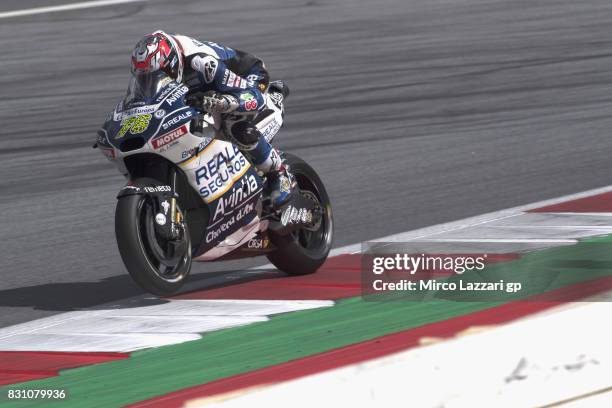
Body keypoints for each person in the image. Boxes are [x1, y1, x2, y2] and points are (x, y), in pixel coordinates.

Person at [130, 30, 293, 208]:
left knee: (234, 124)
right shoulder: (151, 70)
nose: (152, 81)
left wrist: (222, 102)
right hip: (205, 91)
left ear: (174, 63)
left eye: (159, 75)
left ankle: (279, 173)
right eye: (146, 77)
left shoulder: (201, 62)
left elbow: (255, 98)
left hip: (247, 78)